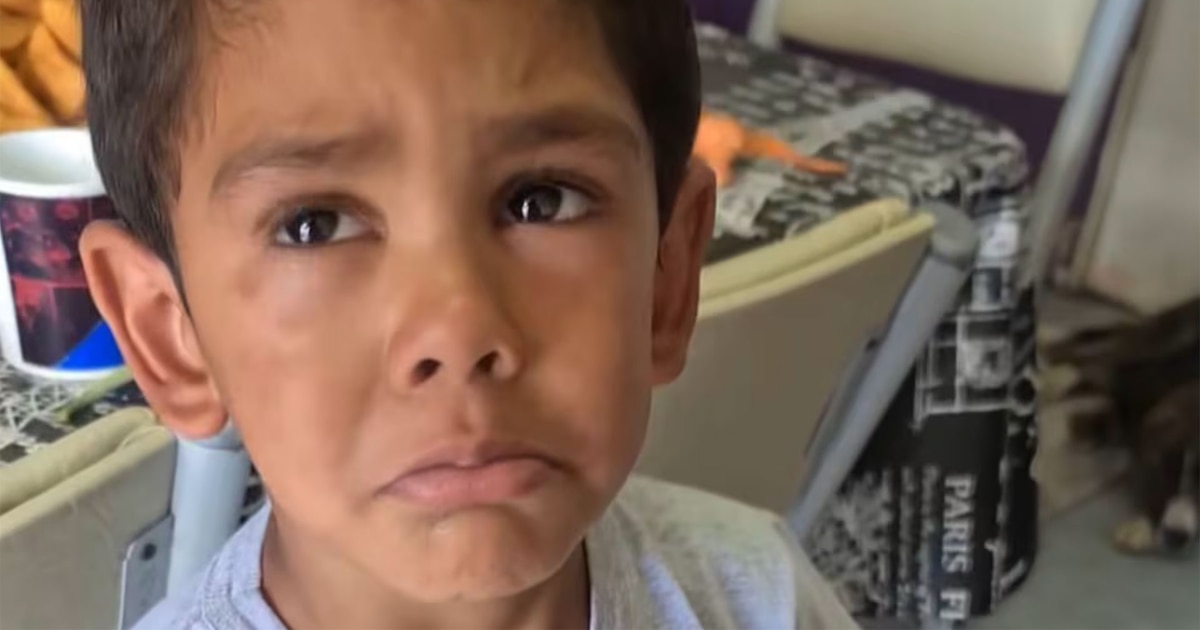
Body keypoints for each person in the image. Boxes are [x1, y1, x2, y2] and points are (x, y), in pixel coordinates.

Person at [79, 0, 856, 627]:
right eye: (314, 225)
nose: (457, 331)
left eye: (541, 201)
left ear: (668, 274)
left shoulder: (762, 599)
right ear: (169, 334)